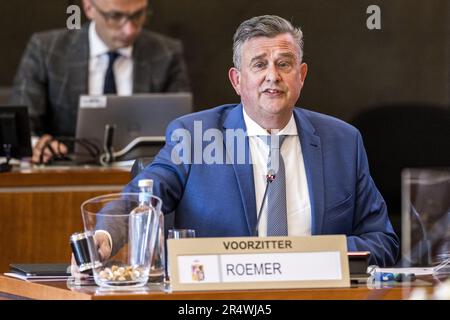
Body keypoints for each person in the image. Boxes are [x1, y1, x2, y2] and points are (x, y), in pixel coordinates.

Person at [74, 15, 399, 271]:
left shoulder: (342, 141)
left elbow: (383, 241)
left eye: (284, 64)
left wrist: (317, 254)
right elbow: (147, 191)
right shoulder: (196, 135)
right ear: (237, 79)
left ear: (301, 75)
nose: (273, 75)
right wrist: (105, 234)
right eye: (259, 64)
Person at [10, 0, 190, 164]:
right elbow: (20, 131)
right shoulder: (47, 51)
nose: (129, 29)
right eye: (115, 16)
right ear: (89, 8)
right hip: (64, 173)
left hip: (144, 175)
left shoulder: (166, 54)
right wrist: (40, 147)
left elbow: (181, 131)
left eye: (137, 15)